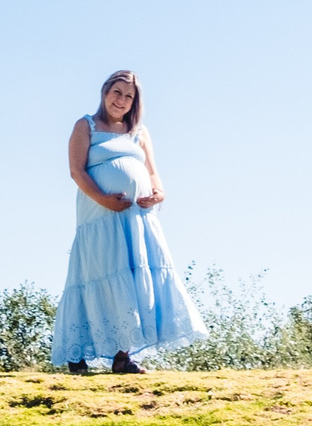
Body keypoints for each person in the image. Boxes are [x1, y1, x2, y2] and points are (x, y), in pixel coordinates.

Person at [49, 69, 205, 373]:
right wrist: (103, 198)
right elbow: (76, 172)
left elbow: (153, 173)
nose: (121, 100)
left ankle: (123, 357)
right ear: (105, 91)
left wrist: (159, 193)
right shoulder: (86, 126)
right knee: (94, 278)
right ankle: (77, 353)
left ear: (135, 102)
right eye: (117, 92)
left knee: (132, 280)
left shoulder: (139, 132)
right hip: (99, 218)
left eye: (128, 96)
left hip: (138, 220)